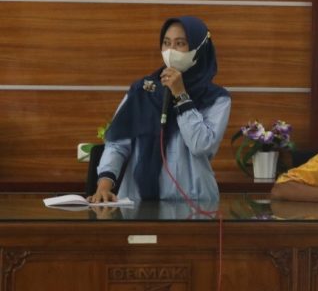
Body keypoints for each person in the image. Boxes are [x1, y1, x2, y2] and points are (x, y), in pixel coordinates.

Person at [88, 17, 231, 204]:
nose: (171, 50)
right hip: (138, 202)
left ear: (199, 48)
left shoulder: (216, 98)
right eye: (166, 43)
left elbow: (201, 146)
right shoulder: (143, 90)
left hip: (193, 203)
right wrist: (104, 187)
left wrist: (181, 95)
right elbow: (117, 144)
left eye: (180, 43)